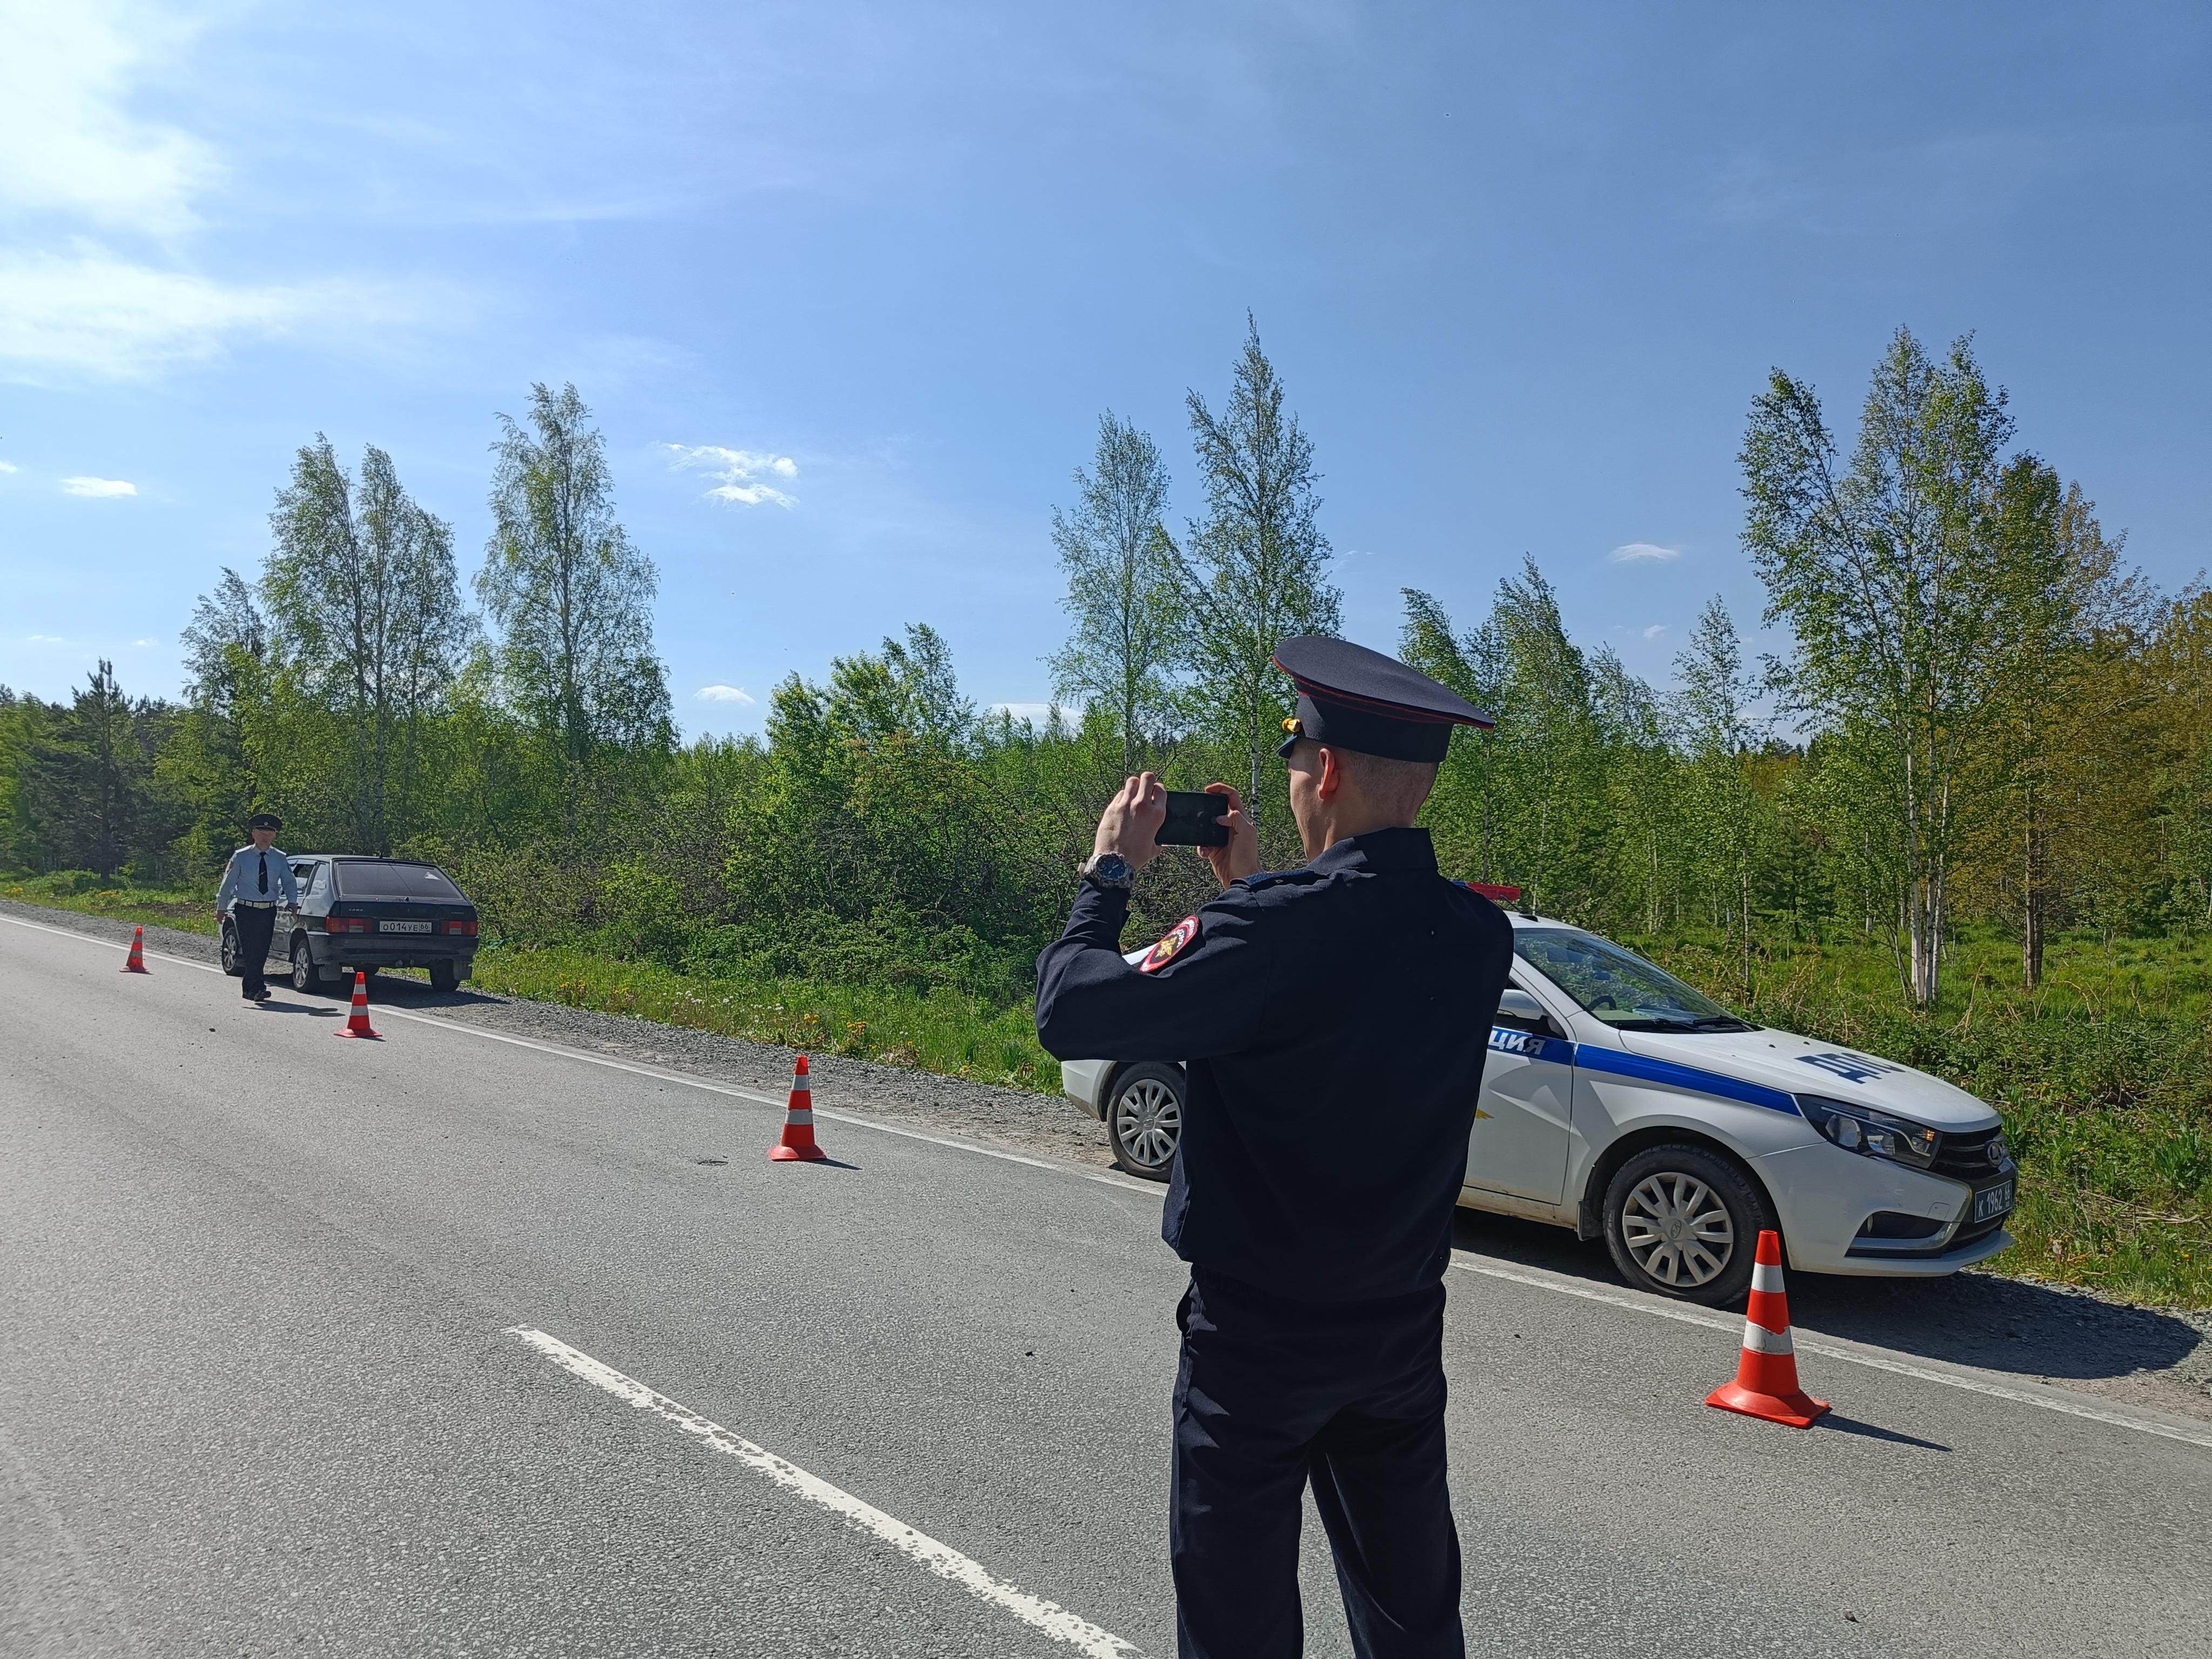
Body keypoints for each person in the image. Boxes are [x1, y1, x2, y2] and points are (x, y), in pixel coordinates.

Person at [1034, 635, 1513, 1659]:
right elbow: (1343, 963)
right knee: (1411, 1609)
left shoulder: (1268, 929)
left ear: (1327, 770)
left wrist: (1109, 869)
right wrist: (1247, 884)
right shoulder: (1476, 936)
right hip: (1396, 1329)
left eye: (1295, 757)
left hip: (1258, 1340)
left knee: (1237, 1611)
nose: (1293, 777)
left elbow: (1070, 1010)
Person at [217, 812, 300, 1002]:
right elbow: (228, 884)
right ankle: (257, 987)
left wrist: (292, 901)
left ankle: (251, 989)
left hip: (268, 909)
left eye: (270, 831)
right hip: (246, 909)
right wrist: (221, 907)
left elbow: (289, 881)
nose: (266, 834)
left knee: (262, 949)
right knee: (250, 948)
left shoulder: (279, 858)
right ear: (253, 833)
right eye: (261, 830)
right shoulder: (241, 857)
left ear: (274, 835)